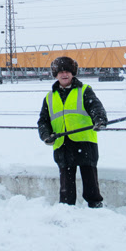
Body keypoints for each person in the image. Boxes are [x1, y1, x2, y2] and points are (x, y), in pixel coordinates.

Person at [37, 56, 108, 208]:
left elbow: (96, 107)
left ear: (73, 73)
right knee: (66, 185)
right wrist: (46, 135)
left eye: (67, 71)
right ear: (55, 75)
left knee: (90, 179)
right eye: (60, 72)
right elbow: (43, 121)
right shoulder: (49, 97)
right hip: (62, 144)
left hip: (84, 141)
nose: (64, 74)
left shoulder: (84, 90)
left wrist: (99, 120)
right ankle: (66, 209)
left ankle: (95, 206)